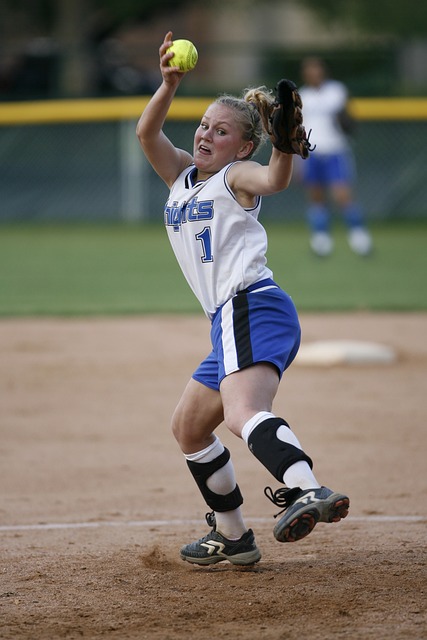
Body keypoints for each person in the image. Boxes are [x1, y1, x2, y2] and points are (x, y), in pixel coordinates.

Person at [136, 32, 349, 566]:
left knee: (244, 412)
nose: (207, 135)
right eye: (204, 125)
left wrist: (283, 147)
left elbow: (275, 180)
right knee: (189, 426)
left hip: (252, 305)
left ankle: (307, 488)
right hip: (228, 320)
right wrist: (169, 84)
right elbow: (147, 132)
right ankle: (233, 536)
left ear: (243, 146)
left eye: (222, 131)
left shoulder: (236, 178)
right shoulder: (181, 176)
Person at [298, 56, 373, 257]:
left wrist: (346, 122)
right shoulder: (302, 96)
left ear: (323, 71)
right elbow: (299, 128)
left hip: (335, 150)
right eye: (309, 70)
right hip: (312, 152)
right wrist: (299, 157)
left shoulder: (336, 91)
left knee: (342, 195)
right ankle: (321, 241)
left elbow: (349, 119)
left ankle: (360, 239)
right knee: (316, 197)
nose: (313, 74)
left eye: (316, 69)